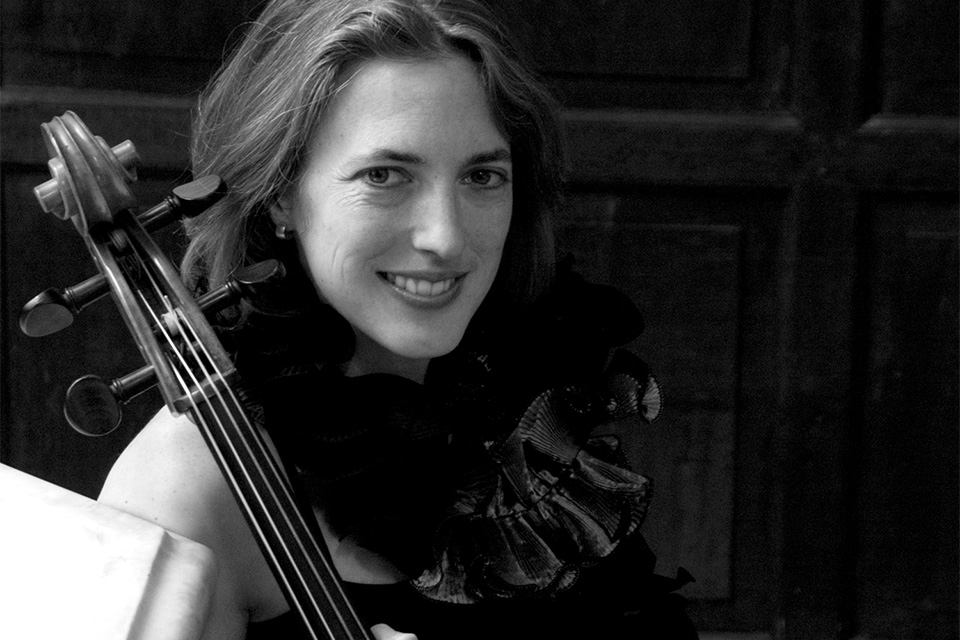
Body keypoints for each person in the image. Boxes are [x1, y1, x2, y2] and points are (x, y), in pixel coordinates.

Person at [98, 0, 699, 638]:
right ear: (280, 195)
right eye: (384, 175)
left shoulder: (521, 405)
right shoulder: (191, 482)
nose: (445, 236)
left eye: (483, 175)